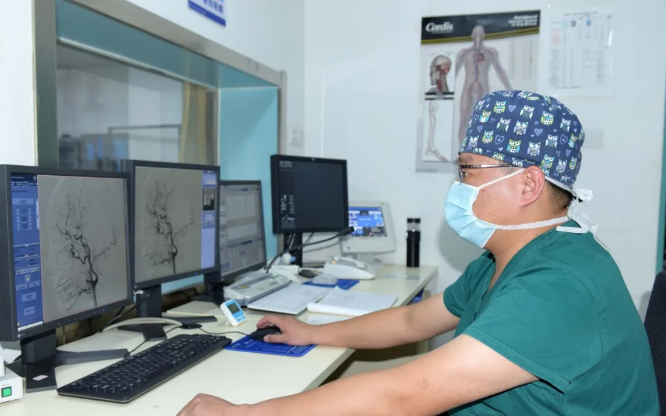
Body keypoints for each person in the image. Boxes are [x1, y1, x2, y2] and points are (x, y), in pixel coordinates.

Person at [177, 91, 659, 416]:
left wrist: (241, 414)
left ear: (528, 183)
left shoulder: (559, 285)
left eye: (467, 171)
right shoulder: (507, 257)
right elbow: (410, 322)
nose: (458, 185)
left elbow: (406, 395)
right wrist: (312, 332)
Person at [455, 25, 512, 146]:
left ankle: (482, 150)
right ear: (472, 35)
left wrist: (509, 88)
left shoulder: (490, 53)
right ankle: (462, 151)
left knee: (485, 120)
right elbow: (454, 71)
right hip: (468, 87)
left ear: (484, 35)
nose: (478, 35)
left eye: (480, 33)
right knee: (464, 119)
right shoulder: (464, 53)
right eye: (476, 32)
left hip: (483, 87)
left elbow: (499, 71)